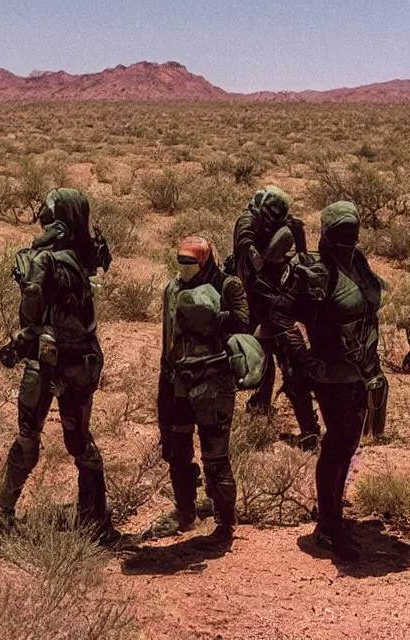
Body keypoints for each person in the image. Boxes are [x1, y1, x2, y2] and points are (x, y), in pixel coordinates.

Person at [0, 188, 122, 548]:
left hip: (48, 362)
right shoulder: (85, 254)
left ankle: (5, 515)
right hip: (79, 360)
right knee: (80, 441)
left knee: (29, 438)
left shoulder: (46, 260)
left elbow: (30, 316)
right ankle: (95, 516)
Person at [269, 202, 386, 561]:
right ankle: (329, 528)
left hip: (362, 370)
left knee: (349, 442)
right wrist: (303, 359)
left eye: (353, 230)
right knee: (337, 443)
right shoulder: (314, 271)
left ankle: (333, 514)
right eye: (342, 232)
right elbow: (280, 315)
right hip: (330, 373)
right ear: (327, 234)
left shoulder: (359, 263)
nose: (349, 238)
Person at [151, 236, 253, 545]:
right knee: (176, 451)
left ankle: (225, 523)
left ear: (205, 262)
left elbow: (244, 325)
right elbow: (168, 338)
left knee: (216, 457)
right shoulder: (172, 289)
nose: (184, 269)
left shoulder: (228, 286)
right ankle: (186, 514)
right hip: (175, 383)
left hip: (213, 382)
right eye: (180, 262)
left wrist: (217, 319)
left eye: (190, 263)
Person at [233, 186, 319, 449]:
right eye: (271, 215)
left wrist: (298, 243)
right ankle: (260, 405)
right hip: (251, 299)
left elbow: (301, 258)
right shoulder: (247, 222)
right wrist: (268, 255)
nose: (274, 220)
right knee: (257, 358)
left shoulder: (282, 224)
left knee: (294, 361)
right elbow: (249, 259)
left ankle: (307, 429)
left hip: (276, 301)